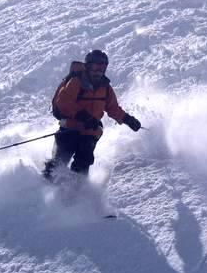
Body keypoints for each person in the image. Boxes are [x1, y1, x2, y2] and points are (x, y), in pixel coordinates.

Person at [43, 49, 141, 180]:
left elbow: (113, 108)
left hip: (90, 131)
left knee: (84, 160)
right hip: (70, 127)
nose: (98, 71)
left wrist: (128, 119)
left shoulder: (105, 87)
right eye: (95, 67)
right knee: (59, 160)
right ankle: (46, 184)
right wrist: (83, 116)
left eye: (102, 68)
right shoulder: (76, 82)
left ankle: (77, 189)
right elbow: (63, 102)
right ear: (87, 66)